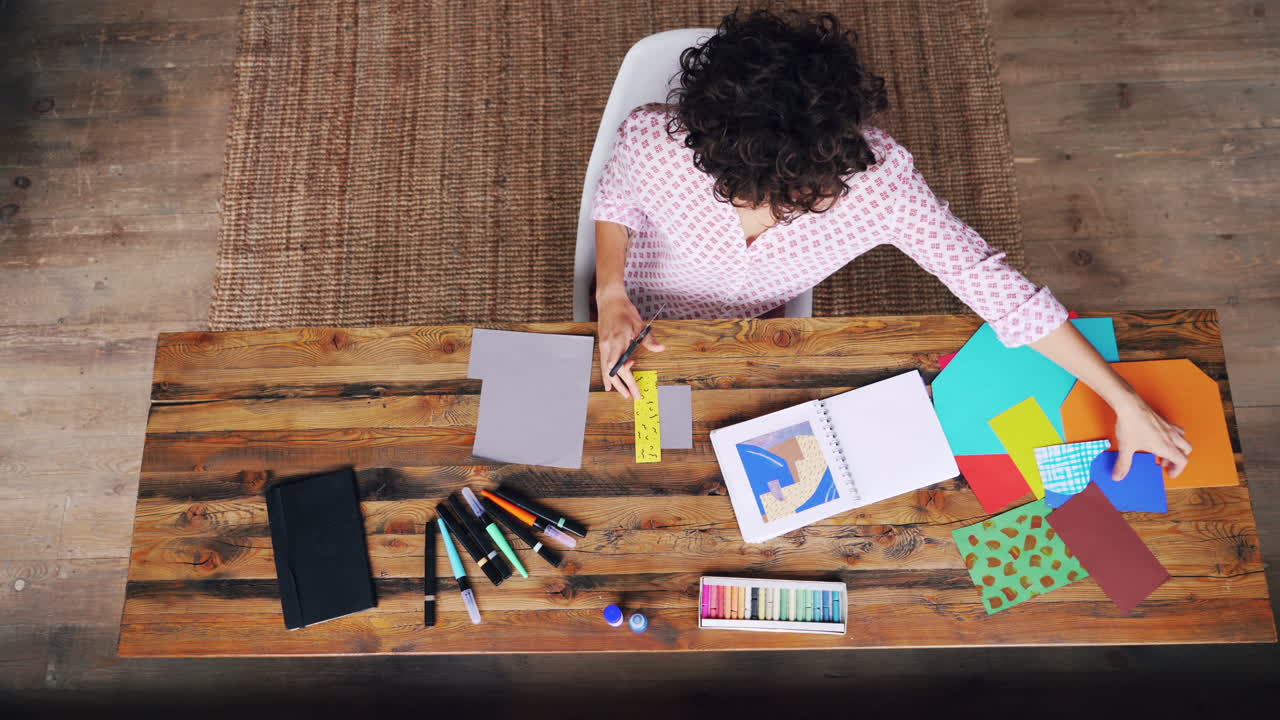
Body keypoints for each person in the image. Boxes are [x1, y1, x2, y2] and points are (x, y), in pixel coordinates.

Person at [590, 8, 1191, 480]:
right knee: (634, 456)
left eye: (803, 189)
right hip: (646, 316)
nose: (783, 209)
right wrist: (610, 290)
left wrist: (1126, 400)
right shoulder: (650, 138)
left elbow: (998, 288)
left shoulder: (881, 184)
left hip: (759, 328)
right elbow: (614, 199)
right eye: (757, 192)